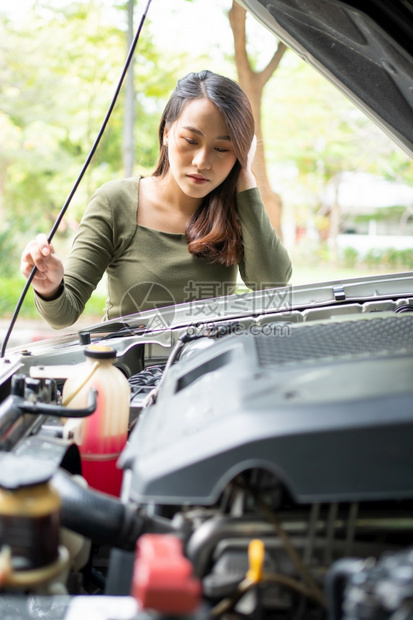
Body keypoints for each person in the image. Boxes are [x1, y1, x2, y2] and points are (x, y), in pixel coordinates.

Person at [20, 70, 292, 329]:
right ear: (166, 133)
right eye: (190, 140)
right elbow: (64, 313)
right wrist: (50, 286)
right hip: (130, 372)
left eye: (222, 148)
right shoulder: (115, 202)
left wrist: (246, 178)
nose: (202, 162)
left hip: (209, 370)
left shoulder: (237, 210)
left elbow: (272, 286)